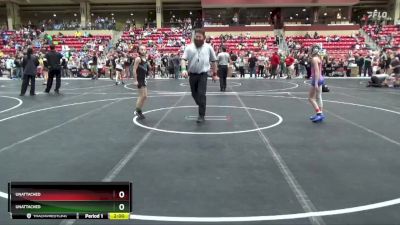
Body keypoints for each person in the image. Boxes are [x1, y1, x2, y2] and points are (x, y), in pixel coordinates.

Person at [181, 28, 218, 123]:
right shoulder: (189, 47)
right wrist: (184, 69)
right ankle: (201, 103)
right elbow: (183, 59)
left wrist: (214, 74)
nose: (197, 38)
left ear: (204, 38)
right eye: (196, 37)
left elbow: (214, 61)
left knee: (201, 94)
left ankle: (201, 115)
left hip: (203, 75)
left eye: (199, 37)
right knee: (194, 94)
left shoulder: (209, 47)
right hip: (192, 75)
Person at [308, 45, 325, 123]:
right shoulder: (319, 58)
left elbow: (317, 71)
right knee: (318, 97)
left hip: (317, 79)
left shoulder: (314, 59)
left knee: (311, 98)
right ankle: (319, 114)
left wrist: (315, 83)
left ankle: (319, 113)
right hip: (320, 78)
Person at [133, 45, 150, 120]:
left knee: (145, 96)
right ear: (139, 51)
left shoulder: (145, 58)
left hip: (144, 79)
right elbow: (134, 70)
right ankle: (138, 110)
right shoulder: (138, 59)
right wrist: (135, 80)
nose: (143, 51)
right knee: (141, 95)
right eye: (141, 49)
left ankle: (139, 110)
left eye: (144, 49)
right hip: (140, 79)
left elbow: (145, 67)